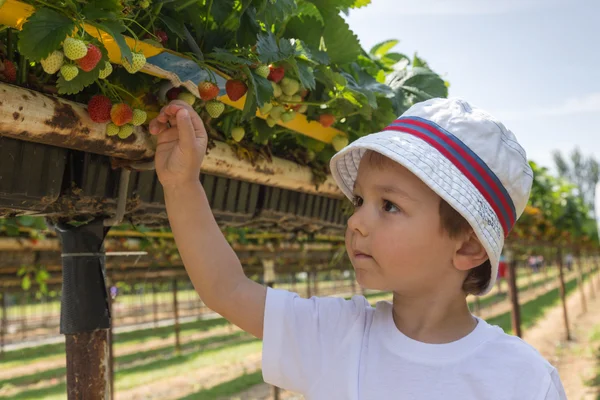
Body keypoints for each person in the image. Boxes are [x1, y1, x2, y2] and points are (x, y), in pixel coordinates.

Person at [148, 97, 566, 399]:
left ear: (468, 247)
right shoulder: (336, 335)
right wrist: (182, 185)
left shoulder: (524, 381)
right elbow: (227, 289)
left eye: (389, 205)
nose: (356, 221)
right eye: (360, 201)